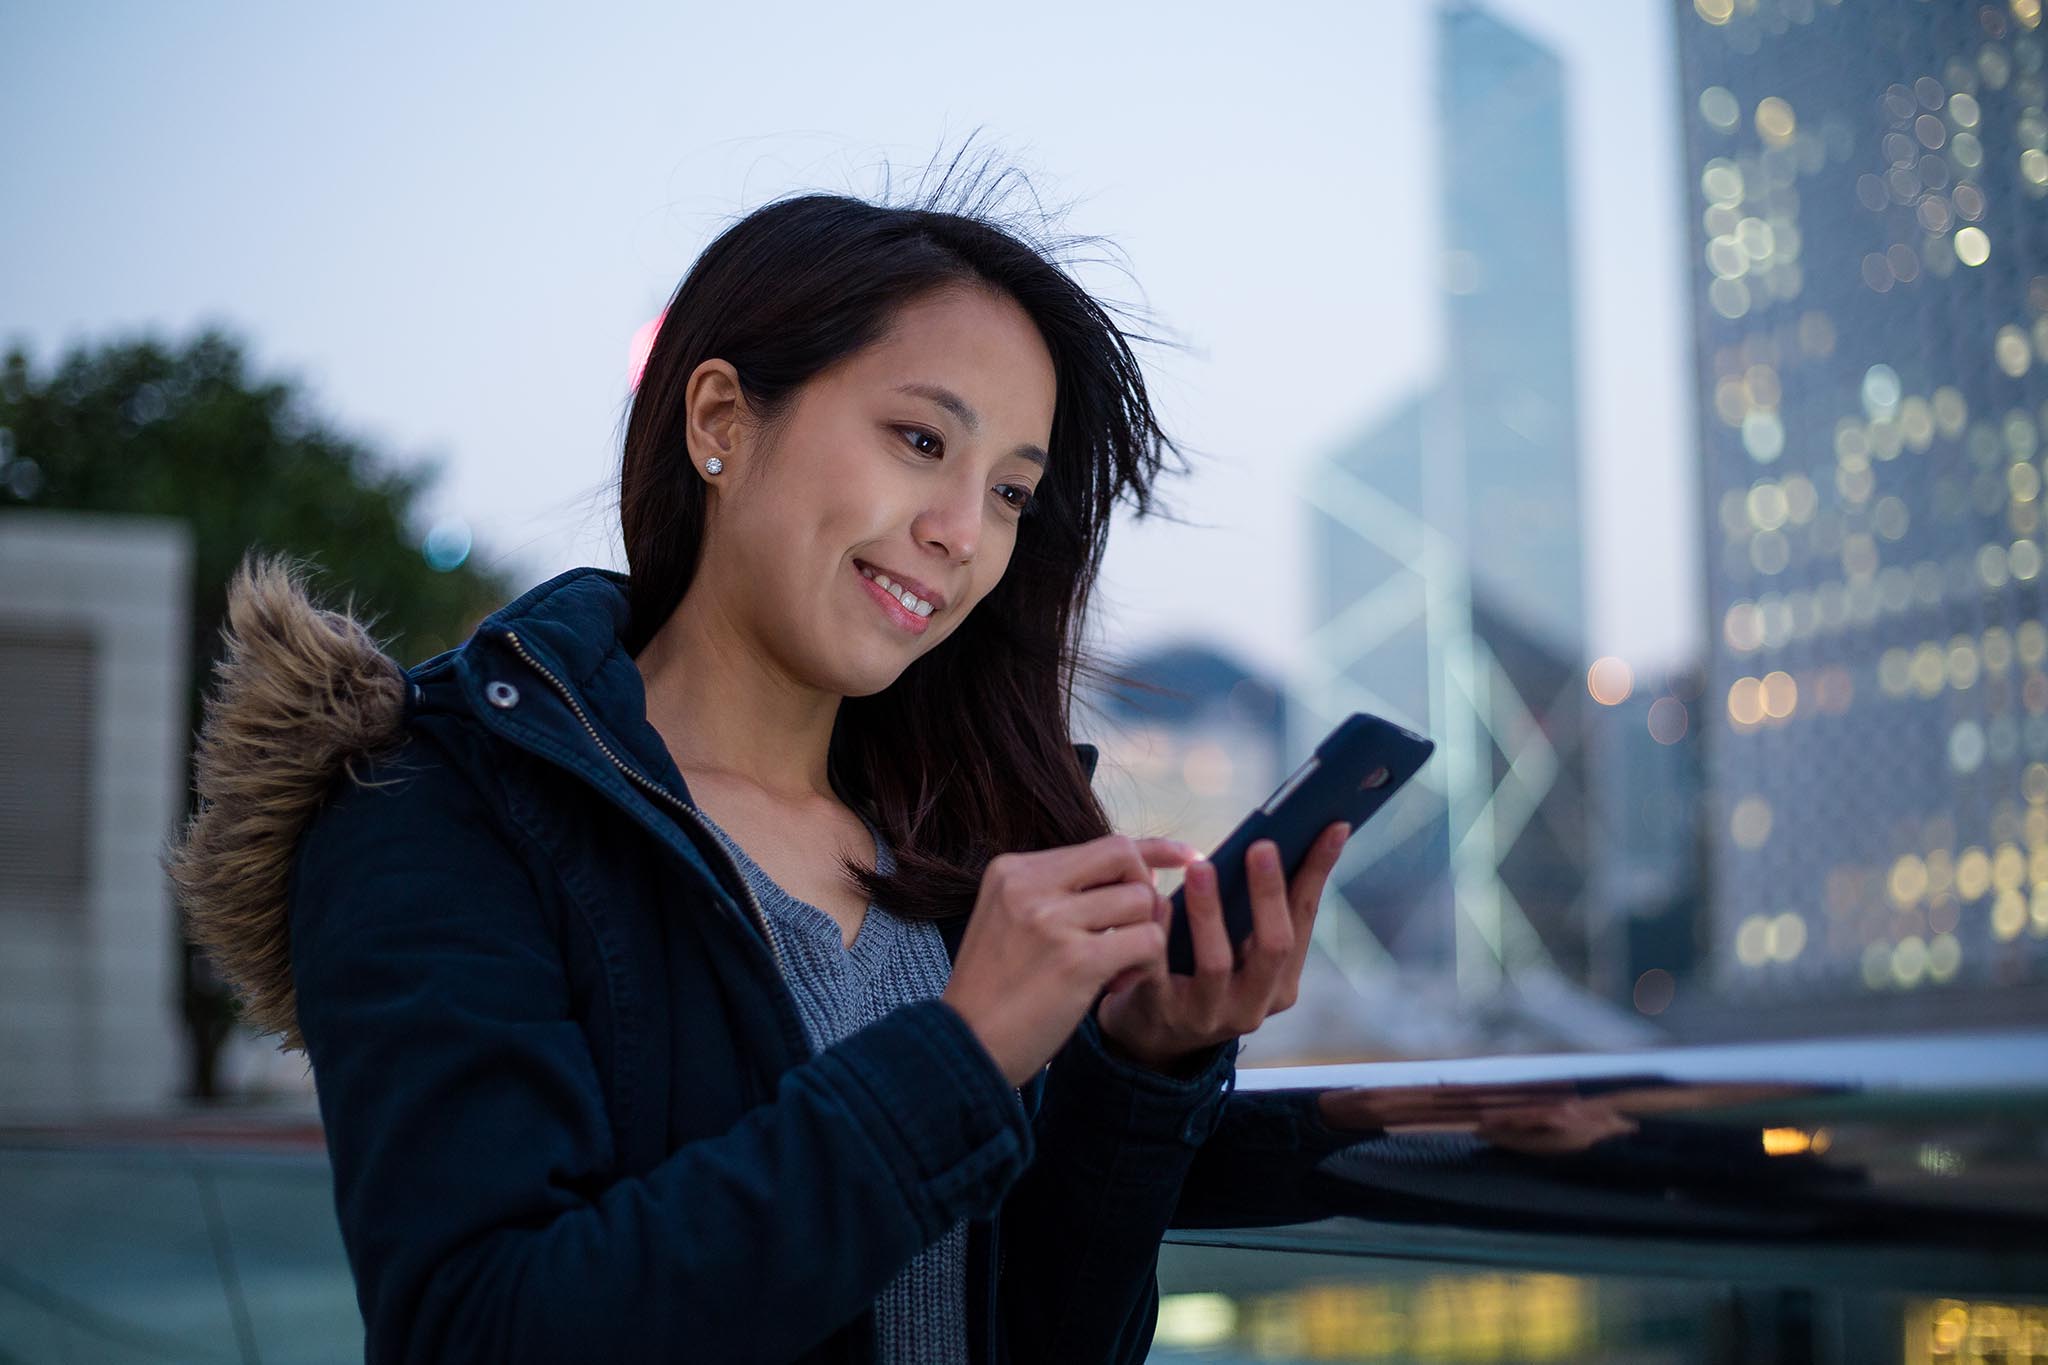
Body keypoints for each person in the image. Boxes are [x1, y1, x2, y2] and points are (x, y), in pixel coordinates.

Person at [166, 163, 1347, 1364]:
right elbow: (479, 1328)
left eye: (1008, 493)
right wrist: (958, 1056)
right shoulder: (446, 805)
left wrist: (1144, 1066)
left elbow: (1046, 1339)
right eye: (919, 438)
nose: (959, 531)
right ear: (721, 420)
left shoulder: (966, 854)